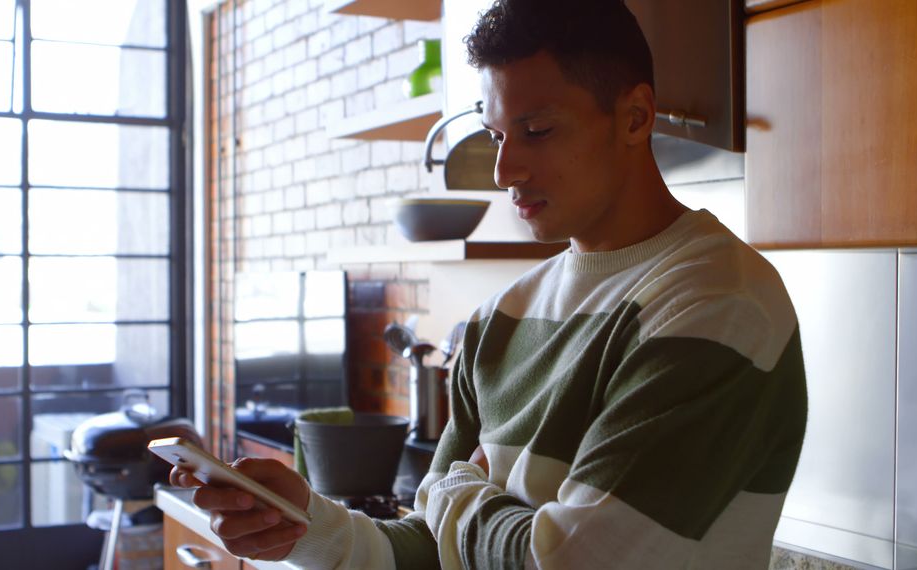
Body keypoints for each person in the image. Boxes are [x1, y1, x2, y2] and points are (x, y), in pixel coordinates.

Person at [172, 0, 808, 567]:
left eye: (537, 131)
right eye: (498, 135)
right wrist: (310, 526)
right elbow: (430, 545)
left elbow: (576, 564)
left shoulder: (715, 304)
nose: (505, 168)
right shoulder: (496, 322)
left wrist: (459, 492)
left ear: (636, 116)